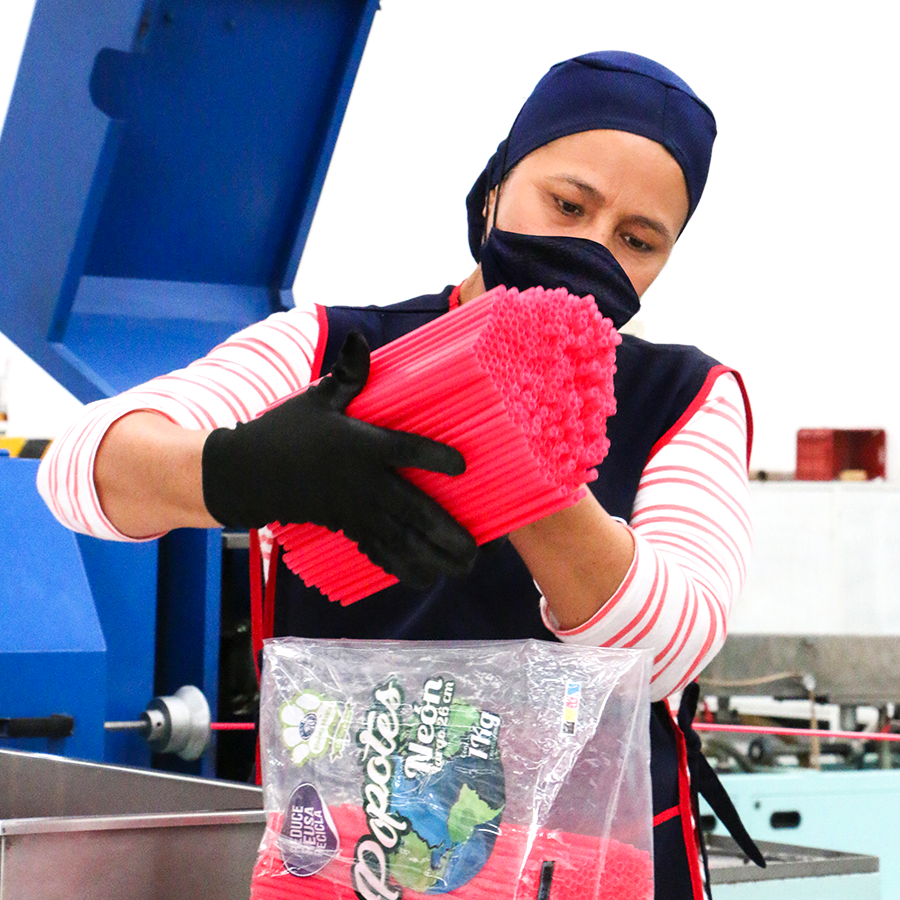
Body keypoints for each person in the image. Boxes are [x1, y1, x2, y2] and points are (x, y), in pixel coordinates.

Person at [38, 51, 760, 899]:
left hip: (587, 872)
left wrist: (524, 451)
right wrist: (246, 469)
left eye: (637, 240)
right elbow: (79, 470)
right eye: (567, 205)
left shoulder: (688, 396)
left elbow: (670, 647)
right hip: (356, 864)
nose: (590, 248)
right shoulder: (326, 351)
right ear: (494, 187)